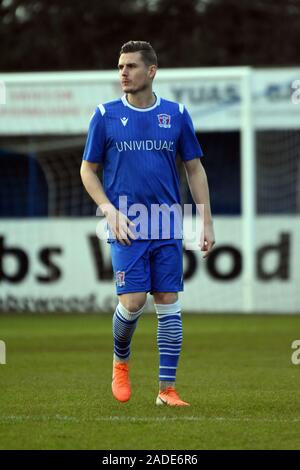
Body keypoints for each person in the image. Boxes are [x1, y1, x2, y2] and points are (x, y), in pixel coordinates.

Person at [80, 40, 215, 407]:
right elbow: (87, 171)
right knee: (134, 301)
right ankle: (120, 360)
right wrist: (108, 209)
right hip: (127, 222)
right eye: (120, 66)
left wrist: (205, 220)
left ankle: (166, 390)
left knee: (168, 300)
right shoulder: (104, 115)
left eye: (131, 66)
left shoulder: (176, 113)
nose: (123, 72)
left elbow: (195, 168)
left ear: (151, 71)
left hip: (168, 223)